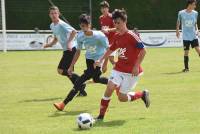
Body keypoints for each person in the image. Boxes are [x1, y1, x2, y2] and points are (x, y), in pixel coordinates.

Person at [95, 9, 150, 120]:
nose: (116, 25)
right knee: (109, 88)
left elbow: (144, 51)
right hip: (118, 69)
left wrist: (136, 66)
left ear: (125, 21)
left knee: (122, 98)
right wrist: (100, 60)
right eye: (115, 23)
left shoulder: (131, 36)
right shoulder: (116, 36)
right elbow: (111, 49)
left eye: (118, 22)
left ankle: (142, 94)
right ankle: (100, 116)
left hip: (131, 72)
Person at [53, 14, 109, 111]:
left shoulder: (99, 36)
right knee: (96, 79)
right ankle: (114, 84)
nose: (84, 28)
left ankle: (63, 104)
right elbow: (78, 52)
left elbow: (109, 49)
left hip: (98, 62)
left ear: (89, 25)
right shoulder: (80, 36)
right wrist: (71, 66)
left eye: (85, 25)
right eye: (82, 26)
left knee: (79, 82)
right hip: (89, 60)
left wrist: (104, 64)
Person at [176, 0, 200, 72]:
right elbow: (178, 21)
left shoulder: (195, 13)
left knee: (198, 50)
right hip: (185, 36)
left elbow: (195, 23)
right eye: (194, 5)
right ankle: (186, 68)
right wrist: (177, 30)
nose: (195, 6)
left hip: (193, 36)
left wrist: (197, 29)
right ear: (189, 4)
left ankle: (186, 68)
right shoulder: (181, 13)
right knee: (186, 52)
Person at [99, 1, 117, 66]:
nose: (103, 9)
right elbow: (103, 29)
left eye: (105, 8)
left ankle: (122, 69)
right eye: (102, 8)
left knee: (111, 59)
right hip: (104, 42)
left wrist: (108, 30)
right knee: (104, 58)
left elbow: (117, 29)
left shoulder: (112, 17)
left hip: (112, 42)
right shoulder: (100, 18)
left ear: (108, 9)